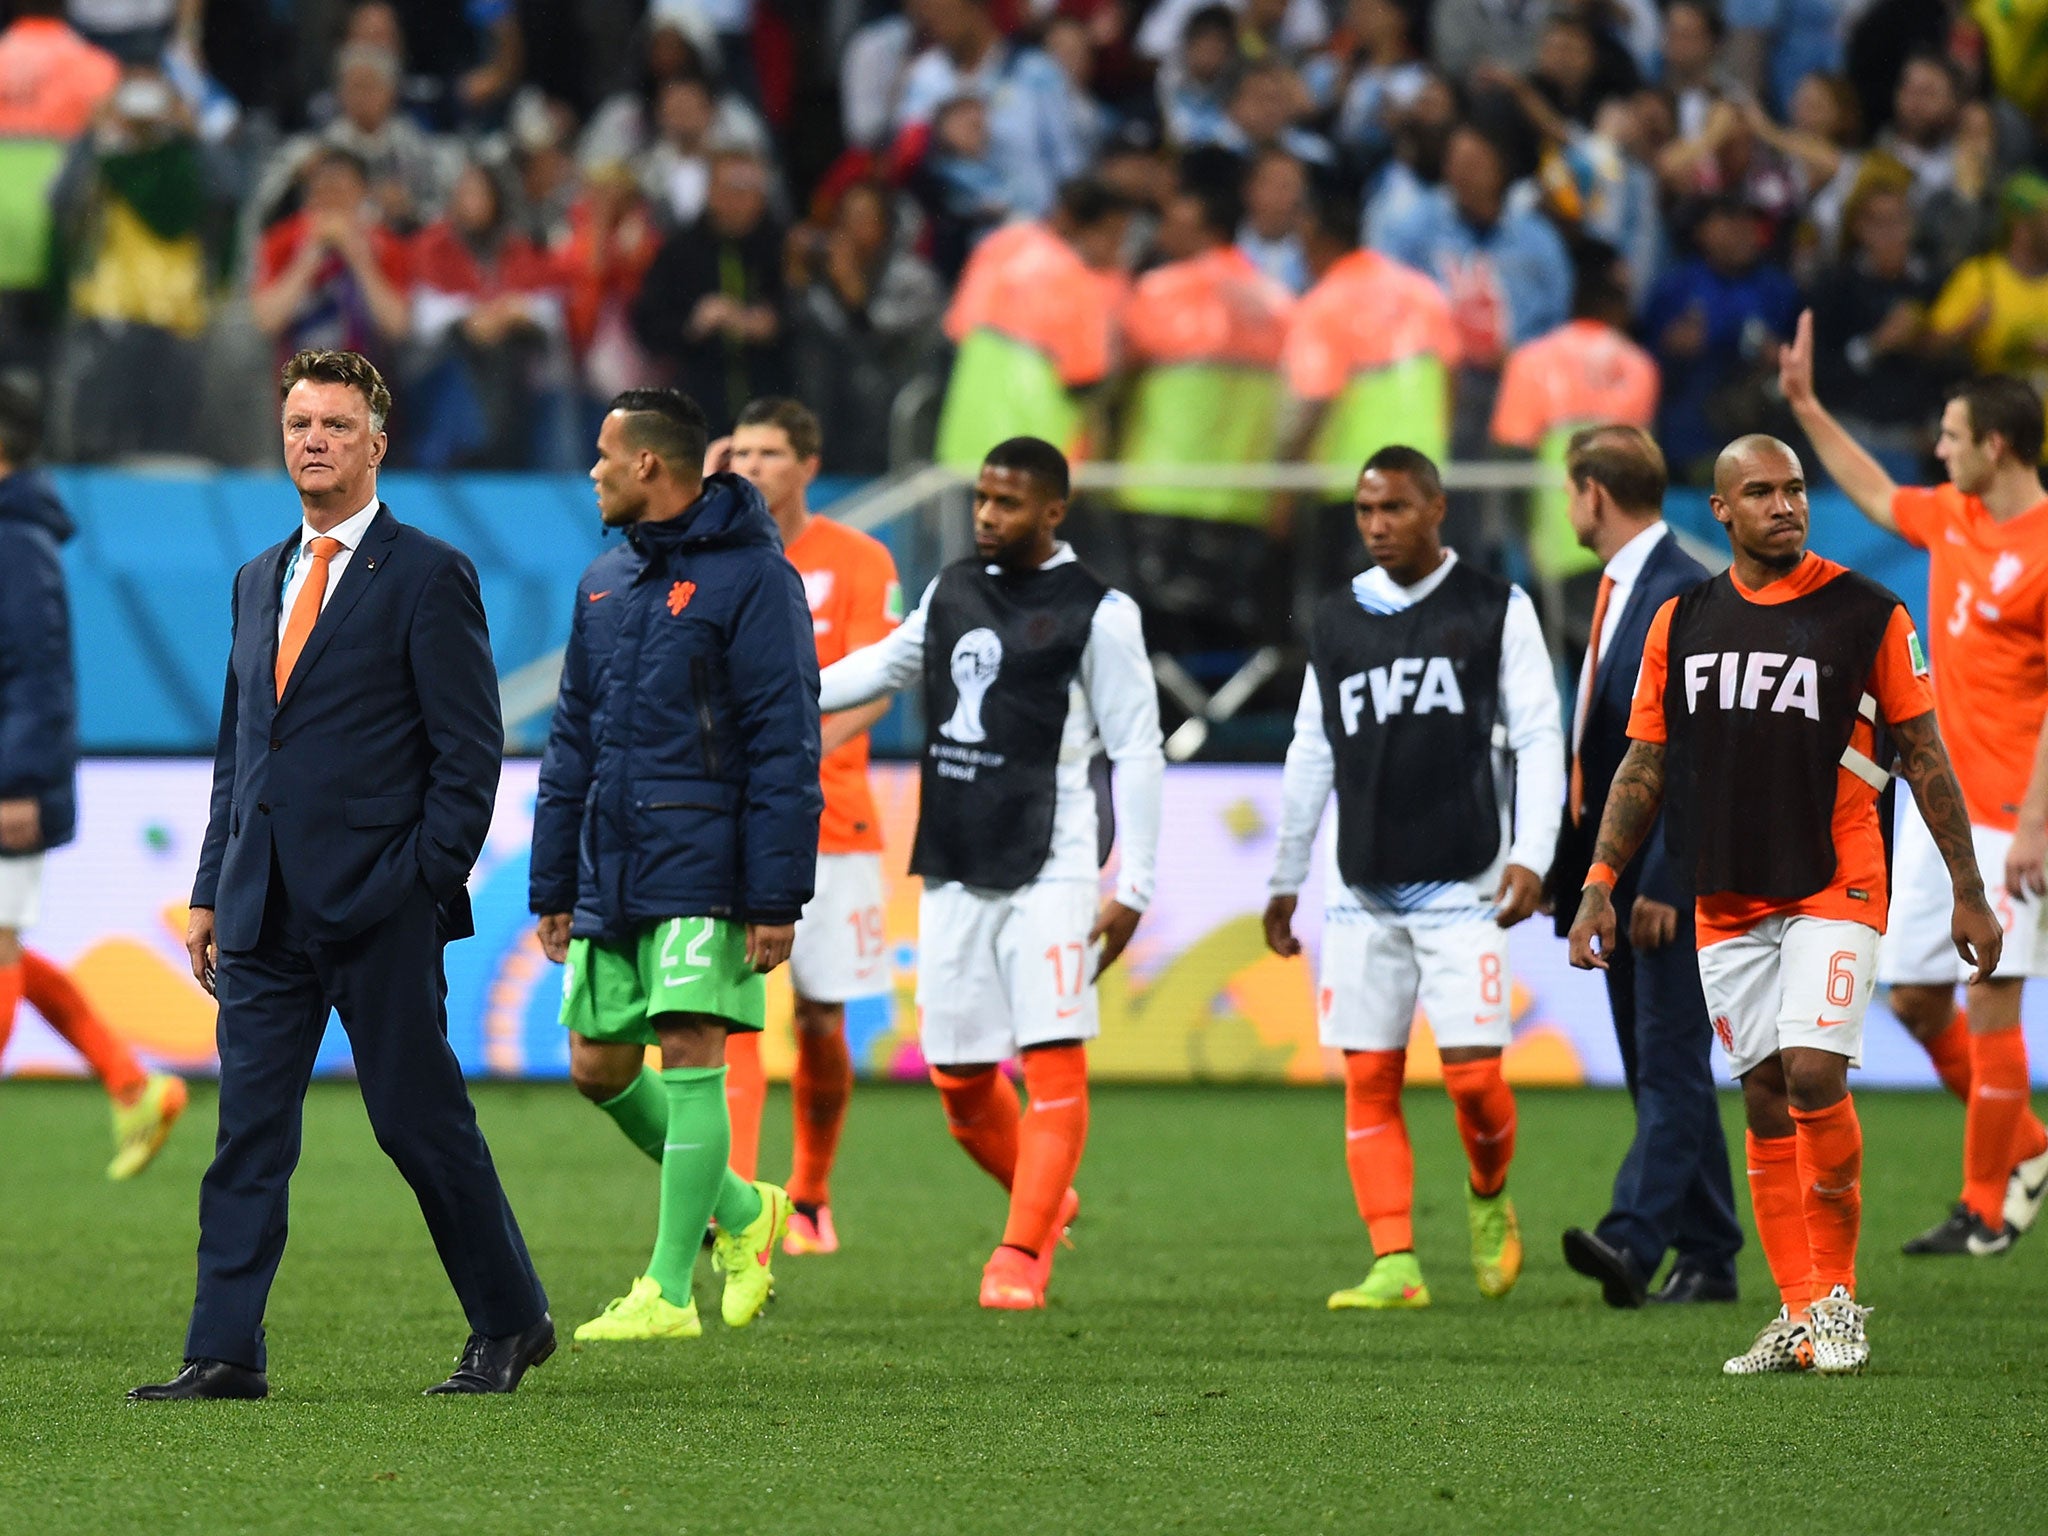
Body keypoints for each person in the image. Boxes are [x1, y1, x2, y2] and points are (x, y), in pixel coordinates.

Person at [132, 350, 551, 1402]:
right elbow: (243, 751)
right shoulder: (255, 575)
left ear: (376, 441)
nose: (312, 440)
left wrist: (420, 879)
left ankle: (511, 1320)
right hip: (262, 904)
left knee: (417, 1124)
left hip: (381, 906)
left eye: (333, 424)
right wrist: (209, 886)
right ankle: (224, 1351)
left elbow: (469, 752)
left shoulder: (428, 571)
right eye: (298, 424)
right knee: (247, 1136)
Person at [1568, 433, 2001, 1376]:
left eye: (1795, 490)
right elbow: (1644, 760)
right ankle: (1799, 1311)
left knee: (1812, 1073)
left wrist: (1969, 891)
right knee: (1763, 1090)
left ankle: (1840, 1300)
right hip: (1725, 887)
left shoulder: (1867, 612)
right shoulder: (1681, 618)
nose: (1785, 506)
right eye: (1760, 492)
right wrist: (1600, 884)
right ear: (1719, 511)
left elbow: (1922, 754)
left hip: (1835, 875)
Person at [815, 437, 1163, 1310]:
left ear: (1054, 512)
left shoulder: (1101, 613)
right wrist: (777, 686)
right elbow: (887, 663)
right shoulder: (954, 589)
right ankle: (1049, 1197)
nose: (985, 516)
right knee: (961, 1079)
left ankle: (1019, 1253)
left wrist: (1136, 887)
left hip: (1053, 866)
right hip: (956, 861)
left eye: (1007, 504)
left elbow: (1138, 751)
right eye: (980, 499)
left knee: (1050, 1055)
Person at [529, 388, 820, 1343]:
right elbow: (571, 737)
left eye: (605, 456)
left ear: (649, 464)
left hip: (710, 861)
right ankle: (744, 1212)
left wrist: (776, 892)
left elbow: (786, 741)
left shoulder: (754, 581)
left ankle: (666, 1289)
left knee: (693, 1047)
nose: (593, 472)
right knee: (597, 1064)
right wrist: (553, 881)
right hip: (612, 863)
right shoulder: (604, 579)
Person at [1263, 445, 1562, 1312]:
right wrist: (1286, 875)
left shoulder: (1494, 607)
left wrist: (1532, 854)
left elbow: (1539, 735)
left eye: (1393, 509)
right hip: (1361, 890)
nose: (1377, 526)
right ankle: (1395, 1262)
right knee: (1370, 1077)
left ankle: (1486, 1191)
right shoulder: (1337, 619)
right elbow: (1311, 749)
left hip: (1465, 885)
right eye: (1364, 512)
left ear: (1436, 508)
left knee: (1473, 1081)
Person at [1780, 312, 2048, 1251]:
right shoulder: (1959, 518)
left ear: (1996, 445)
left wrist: (2040, 825)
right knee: (1919, 1000)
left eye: (1951, 437)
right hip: (1940, 806)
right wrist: (1807, 406)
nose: (1937, 451)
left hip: (2018, 810)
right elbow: (1876, 489)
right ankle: (2028, 1146)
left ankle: (1984, 1207)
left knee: (1992, 994)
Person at [1545, 425, 1742, 1308]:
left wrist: (1667, 878)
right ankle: (1710, 1256)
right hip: (1619, 880)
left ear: (1592, 491)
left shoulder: (1679, 593)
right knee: (1657, 1070)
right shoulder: (1633, 587)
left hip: (1665, 880)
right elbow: (1605, 745)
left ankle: (1631, 1242)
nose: (1568, 505)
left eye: (1570, 490)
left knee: (1667, 1065)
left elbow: (1698, 755)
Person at [711, 396, 902, 1256]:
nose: (751, 465)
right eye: (739, 451)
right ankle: (739, 1206)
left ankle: (813, 1193)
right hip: (722, 820)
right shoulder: (709, 555)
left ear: (809, 465)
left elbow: (878, 687)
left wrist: (785, 753)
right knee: (728, 1011)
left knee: (821, 1019)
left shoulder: (860, 559)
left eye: (769, 452)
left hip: (831, 820)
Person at [0, 383, 185, 1178]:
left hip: (8, 792)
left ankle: (133, 1083)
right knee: (9, 954)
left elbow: (41, 678)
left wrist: (20, 785)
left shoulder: (15, 543)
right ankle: (131, 1082)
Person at [1114, 177, 1294, 655]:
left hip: (1161, 489)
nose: (1162, 231)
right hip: (1242, 495)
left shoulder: (1156, 291)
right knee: (1227, 638)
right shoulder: (1277, 302)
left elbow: (1113, 380)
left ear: (1206, 227)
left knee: (1160, 643)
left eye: (1174, 219)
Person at [934, 177, 1133, 471]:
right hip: (1036, 459)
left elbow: (956, 330)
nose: (1117, 250)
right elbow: (1088, 377)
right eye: (1112, 235)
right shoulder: (1082, 282)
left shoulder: (997, 247)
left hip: (964, 443)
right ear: (1074, 223)